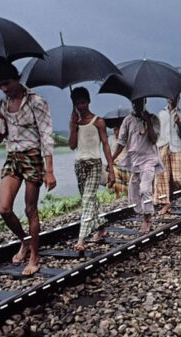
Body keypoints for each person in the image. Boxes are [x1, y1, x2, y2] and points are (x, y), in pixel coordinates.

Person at [0, 60, 57, 276]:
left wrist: (49, 170)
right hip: (12, 157)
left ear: (17, 79)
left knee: (30, 209)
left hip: (32, 156)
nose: (3, 88)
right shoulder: (2, 105)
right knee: (4, 208)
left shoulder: (36, 101)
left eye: (7, 83)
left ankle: (34, 256)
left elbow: (46, 136)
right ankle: (25, 240)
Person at [68, 87, 116, 251]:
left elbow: (106, 145)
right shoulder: (74, 121)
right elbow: (72, 145)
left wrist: (111, 169)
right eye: (77, 103)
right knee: (89, 199)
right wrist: (73, 126)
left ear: (88, 101)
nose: (81, 106)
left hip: (95, 164)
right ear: (74, 104)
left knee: (88, 199)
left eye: (83, 102)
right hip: (79, 164)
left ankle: (81, 239)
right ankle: (101, 228)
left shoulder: (98, 121)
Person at [112, 98, 162, 233]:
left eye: (140, 102)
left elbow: (154, 139)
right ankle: (145, 213)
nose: (137, 105)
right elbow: (121, 142)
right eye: (135, 102)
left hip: (149, 159)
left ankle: (147, 219)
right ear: (132, 103)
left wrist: (148, 123)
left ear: (145, 102)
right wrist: (112, 158)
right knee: (134, 192)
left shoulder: (153, 118)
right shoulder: (128, 120)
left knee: (145, 189)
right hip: (134, 161)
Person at [155, 94, 181, 214]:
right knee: (164, 178)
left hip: (176, 147)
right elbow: (157, 132)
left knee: (177, 177)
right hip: (163, 147)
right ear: (167, 99)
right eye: (170, 97)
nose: (172, 99)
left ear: (178, 99)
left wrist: (179, 123)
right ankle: (166, 203)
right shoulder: (161, 114)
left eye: (175, 97)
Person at [109, 124, 129, 199]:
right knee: (115, 179)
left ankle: (127, 195)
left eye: (117, 130)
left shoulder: (126, 139)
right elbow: (111, 152)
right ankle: (118, 196)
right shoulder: (112, 139)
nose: (116, 132)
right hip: (116, 163)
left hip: (126, 163)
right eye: (114, 130)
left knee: (128, 183)